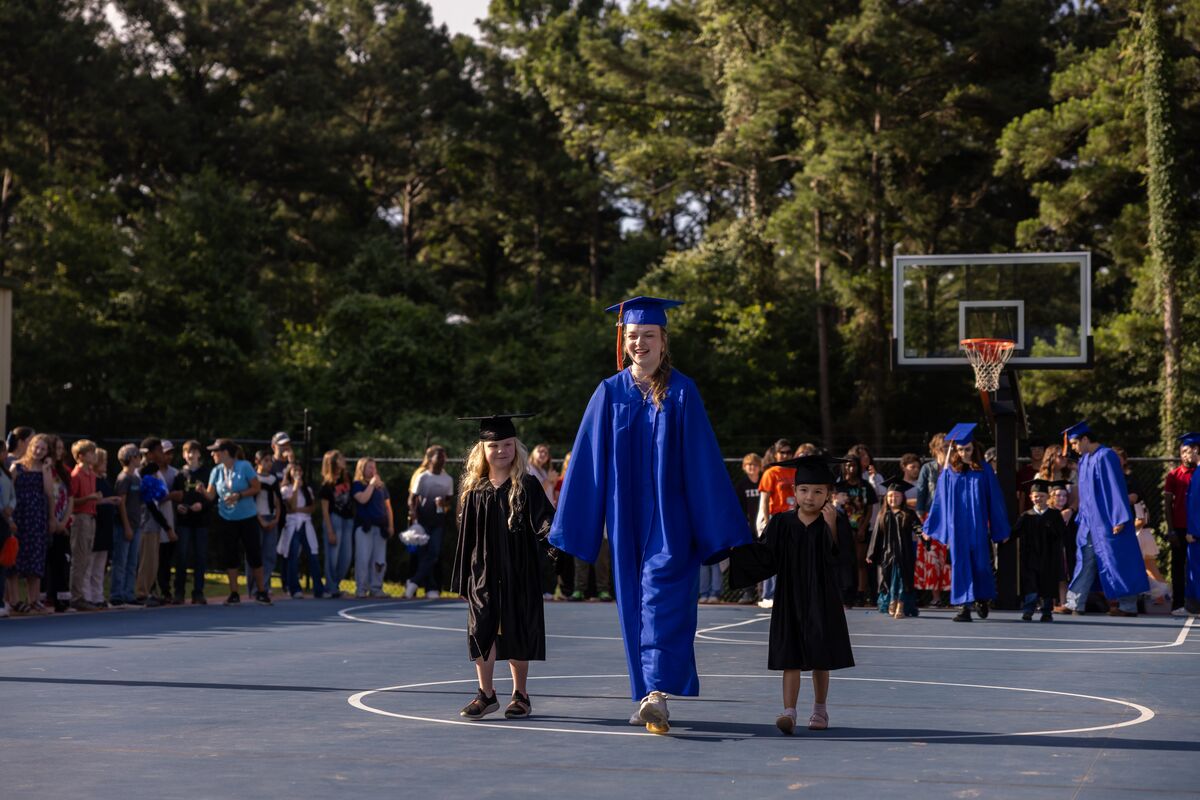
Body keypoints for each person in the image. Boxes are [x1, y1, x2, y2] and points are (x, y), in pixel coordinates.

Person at [549, 296, 750, 734]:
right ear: (623, 342)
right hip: (625, 521)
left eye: (649, 336)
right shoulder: (608, 393)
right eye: (633, 336)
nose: (640, 343)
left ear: (664, 340)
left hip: (670, 521)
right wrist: (577, 524)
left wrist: (714, 527)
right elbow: (587, 462)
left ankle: (657, 691)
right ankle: (647, 696)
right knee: (632, 607)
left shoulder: (682, 392)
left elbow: (702, 463)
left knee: (659, 596)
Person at [727, 454, 855, 734]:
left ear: (828, 495)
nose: (810, 497)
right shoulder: (782, 523)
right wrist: (734, 552)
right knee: (791, 657)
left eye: (818, 491)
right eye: (804, 490)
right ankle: (789, 712)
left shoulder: (833, 523)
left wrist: (833, 527)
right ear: (795, 492)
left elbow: (841, 561)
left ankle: (820, 711)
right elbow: (765, 556)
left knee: (822, 657)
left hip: (823, 599)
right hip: (790, 598)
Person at [452, 414, 556, 721]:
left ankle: (520, 694)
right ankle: (486, 694)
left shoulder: (527, 485)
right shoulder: (475, 490)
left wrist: (553, 540)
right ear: (482, 450)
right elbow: (465, 539)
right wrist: (462, 580)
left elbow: (544, 521)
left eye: (508, 444)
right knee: (480, 629)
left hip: (518, 570)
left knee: (517, 629)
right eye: (494, 445)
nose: (501, 451)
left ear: (516, 447)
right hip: (482, 572)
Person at [924, 423, 1011, 622]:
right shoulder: (949, 473)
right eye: (960, 449)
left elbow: (995, 500)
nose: (964, 453)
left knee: (981, 565)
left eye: (968, 449)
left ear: (975, 448)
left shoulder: (984, 470)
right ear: (956, 450)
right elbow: (940, 501)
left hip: (978, 528)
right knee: (960, 564)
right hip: (957, 530)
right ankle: (964, 606)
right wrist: (932, 526)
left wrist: (1001, 528)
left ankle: (981, 598)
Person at [1061, 422, 1148, 617]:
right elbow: (1084, 494)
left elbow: (1115, 488)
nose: (1073, 447)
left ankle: (1128, 606)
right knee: (1085, 559)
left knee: (1117, 560)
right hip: (1089, 522)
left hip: (1108, 521)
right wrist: (1081, 518)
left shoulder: (1106, 456)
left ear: (1085, 439)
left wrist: (1119, 518)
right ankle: (1075, 603)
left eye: (1075, 443)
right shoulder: (1084, 460)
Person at [203, 439, 270, 605]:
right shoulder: (216, 471)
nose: (212, 454)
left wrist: (239, 495)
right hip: (226, 518)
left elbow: (256, 488)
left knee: (254, 553)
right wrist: (201, 491)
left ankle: (262, 591)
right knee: (230, 555)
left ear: (225, 453)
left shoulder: (244, 466)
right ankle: (234, 593)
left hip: (247, 517)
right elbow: (211, 496)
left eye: (215, 451)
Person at [9, 434, 56, 613]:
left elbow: (49, 493)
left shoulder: (45, 469)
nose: (39, 451)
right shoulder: (17, 466)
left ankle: (34, 600)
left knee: (35, 557)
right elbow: (9, 492)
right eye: (37, 447)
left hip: (37, 518)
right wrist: (9, 518)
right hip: (19, 515)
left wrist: (52, 518)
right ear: (30, 446)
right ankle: (14, 600)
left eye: (43, 449)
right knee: (15, 558)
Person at [1012, 478, 1065, 621]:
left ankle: (1047, 611)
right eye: (1035, 496)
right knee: (1031, 584)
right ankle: (1028, 610)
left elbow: (1061, 534)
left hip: (1049, 556)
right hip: (1030, 556)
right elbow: (1014, 533)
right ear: (1031, 497)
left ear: (1048, 497)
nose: (1038, 499)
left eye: (1041, 496)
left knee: (1048, 584)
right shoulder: (1026, 516)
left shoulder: (1054, 516)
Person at [867, 477, 919, 619]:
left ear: (903, 498)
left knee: (903, 579)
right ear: (886, 498)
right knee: (888, 578)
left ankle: (901, 604)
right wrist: (871, 553)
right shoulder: (882, 515)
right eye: (890, 496)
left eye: (896, 496)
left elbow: (917, 527)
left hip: (905, 554)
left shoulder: (909, 514)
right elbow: (876, 536)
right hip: (887, 555)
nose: (893, 499)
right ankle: (891, 602)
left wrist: (924, 535)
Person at [406, 444, 453, 599]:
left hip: (438, 522)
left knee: (434, 553)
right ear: (430, 459)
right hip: (422, 522)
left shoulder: (448, 480)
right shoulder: (422, 477)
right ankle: (430, 588)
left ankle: (413, 582)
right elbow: (412, 499)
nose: (442, 459)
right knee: (424, 555)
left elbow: (448, 504)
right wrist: (414, 519)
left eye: (444, 456)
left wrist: (443, 505)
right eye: (438, 456)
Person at [757, 440, 797, 608]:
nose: (785, 455)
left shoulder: (796, 471)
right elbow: (765, 501)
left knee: (791, 558)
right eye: (782, 452)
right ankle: (769, 594)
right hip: (776, 517)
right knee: (773, 558)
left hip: (794, 517)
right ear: (776, 454)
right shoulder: (771, 473)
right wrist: (767, 522)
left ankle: (787, 594)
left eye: (788, 452)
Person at [914, 433, 951, 608]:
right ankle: (936, 597)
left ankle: (955, 597)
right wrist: (923, 522)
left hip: (952, 517)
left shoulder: (956, 468)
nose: (947, 449)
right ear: (935, 449)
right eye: (943, 446)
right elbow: (921, 495)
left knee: (951, 558)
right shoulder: (928, 469)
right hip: (932, 517)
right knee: (933, 559)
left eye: (949, 446)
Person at [836, 457, 878, 606]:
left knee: (861, 561)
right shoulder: (838, 486)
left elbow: (870, 508)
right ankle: (845, 592)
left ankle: (861, 593)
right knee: (845, 562)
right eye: (848, 466)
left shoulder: (865, 486)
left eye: (853, 465)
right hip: (841, 529)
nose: (851, 469)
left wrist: (862, 527)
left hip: (860, 527)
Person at [174, 441, 211, 604]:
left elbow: (212, 497)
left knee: (200, 557)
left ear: (199, 454)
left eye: (194, 452)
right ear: (183, 455)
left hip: (201, 522)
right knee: (181, 557)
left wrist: (202, 505)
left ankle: (198, 592)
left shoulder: (207, 473)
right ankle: (179, 592)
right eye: (187, 452)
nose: (191, 455)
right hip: (184, 522)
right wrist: (178, 507)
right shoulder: (179, 475)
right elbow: (174, 496)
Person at [279, 464, 324, 599]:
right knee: (292, 556)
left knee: (313, 555)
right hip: (292, 524)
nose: (297, 473)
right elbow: (291, 507)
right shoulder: (286, 489)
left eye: (299, 470)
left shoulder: (307, 489)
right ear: (289, 473)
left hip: (305, 523)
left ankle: (319, 589)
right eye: (294, 470)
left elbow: (311, 508)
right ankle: (294, 588)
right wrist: (295, 488)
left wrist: (299, 509)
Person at [1164, 433, 1197, 613]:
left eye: (1189, 451)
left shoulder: (1198, 473)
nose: (1185, 455)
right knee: (1178, 567)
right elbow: (1168, 504)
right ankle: (1178, 604)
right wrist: (1171, 530)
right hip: (1180, 527)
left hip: (1196, 528)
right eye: (1183, 451)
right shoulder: (1174, 475)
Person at [68, 439, 102, 611]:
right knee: (79, 558)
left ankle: (81, 594)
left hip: (90, 517)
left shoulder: (91, 475)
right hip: (80, 518)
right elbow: (72, 501)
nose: (94, 455)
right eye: (90, 452)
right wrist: (89, 498)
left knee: (86, 558)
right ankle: (76, 596)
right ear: (80, 456)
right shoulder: (76, 475)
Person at [352, 456, 393, 598]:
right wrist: (371, 485)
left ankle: (376, 587)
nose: (373, 470)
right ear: (362, 469)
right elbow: (362, 499)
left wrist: (390, 525)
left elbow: (388, 507)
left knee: (379, 560)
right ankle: (361, 588)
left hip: (380, 527)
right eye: (369, 467)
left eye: (374, 467)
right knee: (363, 558)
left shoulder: (381, 486)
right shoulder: (358, 484)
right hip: (365, 527)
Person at [86, 447, 120, 608]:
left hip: (106, 525)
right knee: (90, 562)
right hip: (95, 524)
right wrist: (107, 501)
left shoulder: (104, 480)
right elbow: (91, 500)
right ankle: (87, 595)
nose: (105, 464)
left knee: (101, 563)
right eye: (103, 461)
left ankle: (98, 595)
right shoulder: (92, 480)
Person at [111, 444, 144, 608]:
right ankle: (117, 594)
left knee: (132, 562)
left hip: (136, 525)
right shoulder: (123, 478)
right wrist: (126, 526)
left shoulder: (136, 478)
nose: (140, 459)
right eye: (138, 456)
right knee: (120, 561)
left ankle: (128, 593)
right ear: (131, 458)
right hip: (124, 526)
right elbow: (121, 503)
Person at [319, 450, 354, 599]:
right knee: (332, 557)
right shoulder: (327, 484)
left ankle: (335, 585)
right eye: (340, 458)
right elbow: (325, 510)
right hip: (334, 520)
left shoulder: (347, 478)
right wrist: (330, 530)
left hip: (348, 520)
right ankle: (330, 588)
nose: (343, 460)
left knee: (346, 557)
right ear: (333, 462)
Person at [248, 450, 282, 598]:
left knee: (269, 554)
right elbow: (250, 501)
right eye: (265, 460)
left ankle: (264, 585)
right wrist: (260, 519)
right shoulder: (253, 478)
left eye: (270, 461)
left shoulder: (273, 480)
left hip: (271, 517)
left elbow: (277, 500)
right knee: (255, 554)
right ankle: (253, 588)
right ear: (258, 462)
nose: (269, 463)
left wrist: (276, 518)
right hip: (256, 518)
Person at [730, 453, 762, 604]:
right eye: (749, 464)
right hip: (749, 528)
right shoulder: (742, 485)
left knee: (763, 559)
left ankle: (765, 592)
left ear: (759, 467)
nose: (752, 467)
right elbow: (737, 507)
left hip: (763, 527)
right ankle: (748, 592)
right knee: (748, 560)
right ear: (744, 467)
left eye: (754, 464)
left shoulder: (764, 482)